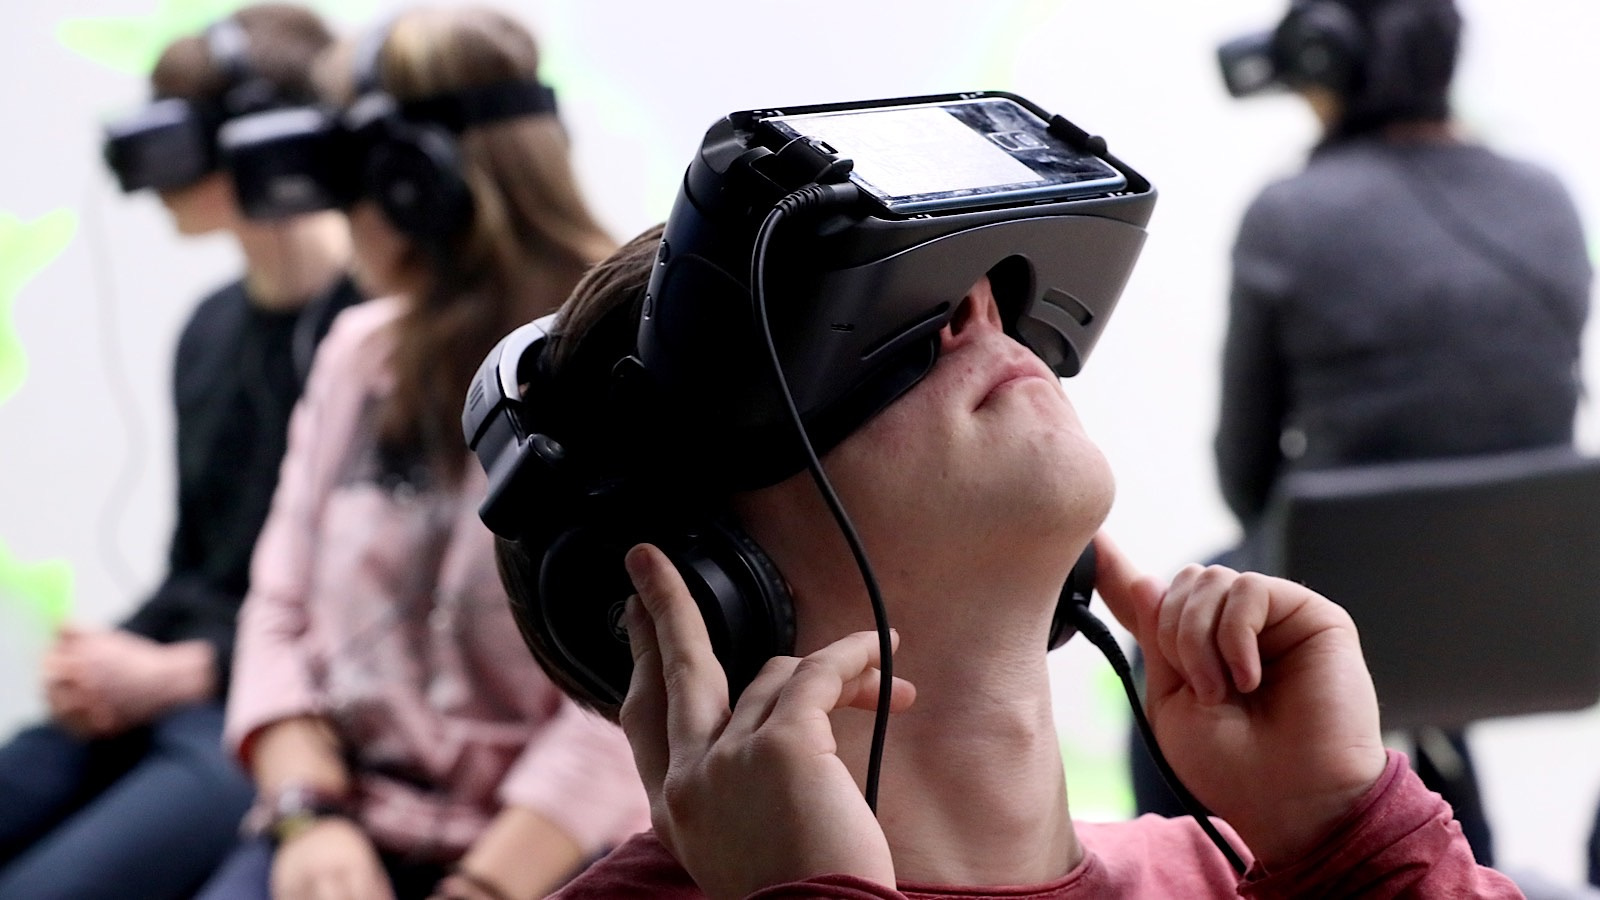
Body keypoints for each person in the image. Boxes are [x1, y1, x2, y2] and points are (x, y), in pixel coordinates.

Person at [486, 222, 1518, 898]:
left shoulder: (1244, 870)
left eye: (956, 285)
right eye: (851, 332)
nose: (975, 300)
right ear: (709, 585)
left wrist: (1346, 834)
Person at [196, 8, 647, 900]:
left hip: (545, 856)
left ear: (412, 182)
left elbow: (634, 696)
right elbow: (277, 607)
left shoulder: (621, 366)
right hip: (342, 819)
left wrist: (480, 888)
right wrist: (309, 818)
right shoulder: (359, 353)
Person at [1138, 0, 1593, 867]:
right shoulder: (1548, 197)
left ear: (1328, 60)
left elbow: (1244, 473)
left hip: (1351, 606)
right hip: (1531, 608)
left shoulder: (1289, 214)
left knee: (1163, 642)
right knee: (1431, 654)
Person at [0, 6, 360, 898]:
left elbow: (385, 612)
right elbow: (199, 566)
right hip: (178, 685)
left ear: (269, 138)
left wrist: (187, 671)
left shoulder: (378, 343)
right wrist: (108, 658)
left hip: (284, 718)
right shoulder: (210, 330)